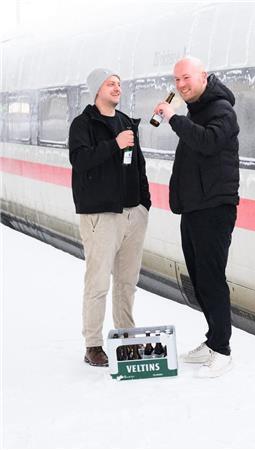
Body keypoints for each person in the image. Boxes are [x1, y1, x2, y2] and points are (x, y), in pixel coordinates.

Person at [154, 56, 239, 378]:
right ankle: (213, 339)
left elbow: (208, 143)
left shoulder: (221, 110)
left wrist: (174, 118)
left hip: (215, 209)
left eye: (186, 78)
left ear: (204, 76)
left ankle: (223, 350)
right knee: (200, 278)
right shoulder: (197, 110)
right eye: (176, 80)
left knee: (212, 279)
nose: (180, 85)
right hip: (195, 208)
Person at [68, 68, 151, 367]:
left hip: (133, 213)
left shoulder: (127, 121)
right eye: (110, 84)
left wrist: (145, 204)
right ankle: (93, 344)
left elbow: (138, 165)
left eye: (118, 84)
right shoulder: (83, 124)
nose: (117, 88)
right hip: (100, 215)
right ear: (96, 90)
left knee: (127, 282)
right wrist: (114, 144)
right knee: (98, 282)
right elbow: (80, 161)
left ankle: (126, 336)